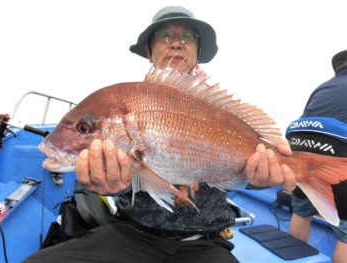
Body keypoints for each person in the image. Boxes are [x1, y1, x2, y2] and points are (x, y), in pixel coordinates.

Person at [23, 6, 295, 263]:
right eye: (165, 36)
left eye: (186, 37)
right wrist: (116, 184)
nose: (176, 43)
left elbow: (244, 177)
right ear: (148, 51)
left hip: (206, 244)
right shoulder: (130, 99)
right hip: (131, 234)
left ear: (197, 52)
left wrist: (264, 178)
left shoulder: (218, 110)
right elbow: (136, 175)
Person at [287, 50, 347, 263]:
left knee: (302, 211)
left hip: (298, 146)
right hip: (338, 149)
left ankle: (293, 258)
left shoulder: (323, 86)